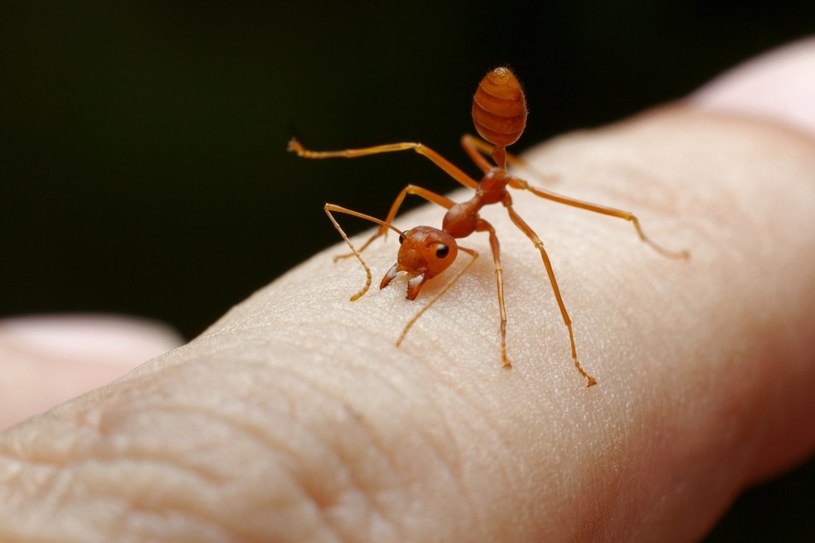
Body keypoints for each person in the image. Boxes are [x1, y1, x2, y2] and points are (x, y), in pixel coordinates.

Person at [1, 39, 814, 541]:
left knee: (521, 223)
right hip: (486, 171)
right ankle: (333, 165)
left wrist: (536, 340)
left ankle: (641, 234)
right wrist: (392, 246)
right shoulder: (442, 222)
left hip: (500, 177)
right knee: (439, 169)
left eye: (421, 252)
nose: (418, 259)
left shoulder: (490, 225)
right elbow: (409, 221)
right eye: (420, 252)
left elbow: (488, 238)